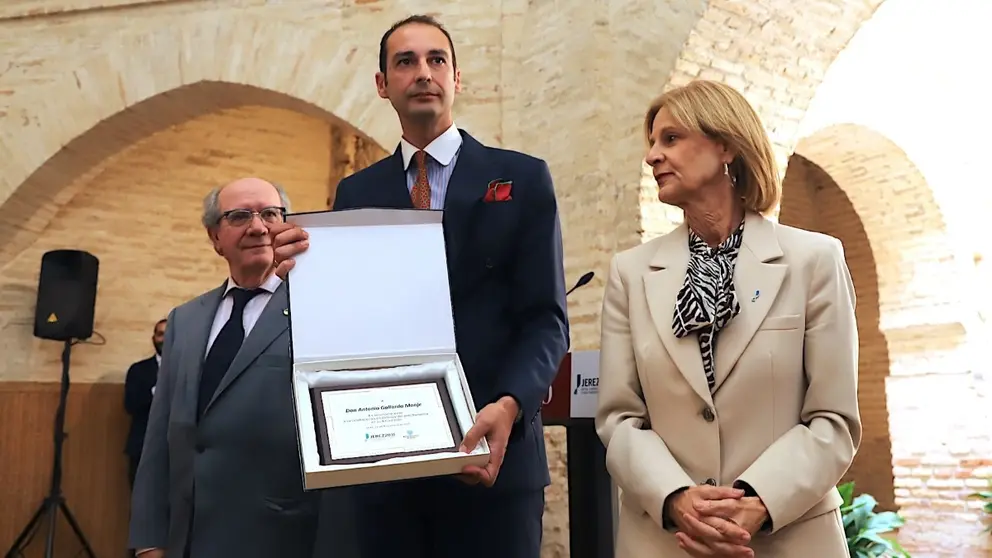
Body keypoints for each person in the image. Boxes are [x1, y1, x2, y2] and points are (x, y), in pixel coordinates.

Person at [269, 14, 569, 558]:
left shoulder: (522, 178)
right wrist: (307, 284)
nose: (423, 72)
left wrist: (510, 405)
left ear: (458, 78)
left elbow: (545, 320)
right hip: (386, 467)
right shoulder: (357, 191)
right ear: (383, 85)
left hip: (492, 455)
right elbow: (351, 322)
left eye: (437, 60)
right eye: (405, 62)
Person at [595, 80, 862, 558]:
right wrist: (677, 499)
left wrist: (757, 501)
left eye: (670, 139)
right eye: (652, 143)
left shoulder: (814, 261)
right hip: (665, 540)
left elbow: (834, 419)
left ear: (725, 146)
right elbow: (619, 418)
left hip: (786, 537)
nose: (653, 156)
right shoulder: (630, 275)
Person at [128, 178, 321, 558]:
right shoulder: (184, 319)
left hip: (282, 535)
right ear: (215, 237)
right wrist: (149, 539)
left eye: (270, 214)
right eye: (238, 216)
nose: (257, 226)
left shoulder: (316, 308)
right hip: (192, 536)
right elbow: (160, 435)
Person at [124, 318, 167, 488]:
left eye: (169, 334)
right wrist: (156, 392)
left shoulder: (189, 369)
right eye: (160, 334)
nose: (164, 339)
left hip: (178, 451)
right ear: (153, 339)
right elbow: (130, 405)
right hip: (143, 448)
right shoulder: (138, 370)